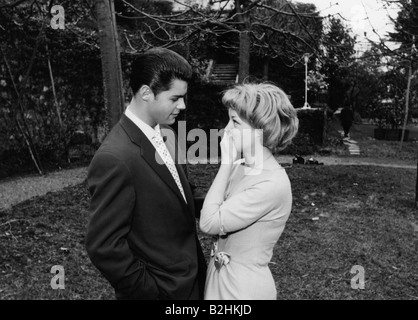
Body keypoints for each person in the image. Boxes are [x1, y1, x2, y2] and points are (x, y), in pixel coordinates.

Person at [85, 47, 207, 300]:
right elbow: (104, 247)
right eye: (175, 98)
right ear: (145, 93)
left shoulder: (165, 135)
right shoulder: (114, 158)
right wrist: (151, 293)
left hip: (189, 282)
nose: (182, 105)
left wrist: (227, 206)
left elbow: (179, 193)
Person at [199, 82, 299, 300]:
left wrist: (226, 164)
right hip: (219, 281)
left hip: (242, 290)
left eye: (234, 122)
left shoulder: (272, 183)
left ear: (261, 129)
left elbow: (209, 223)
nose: (225, 130)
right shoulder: (240, 167)